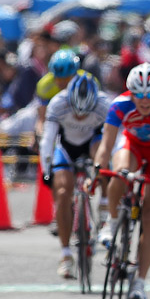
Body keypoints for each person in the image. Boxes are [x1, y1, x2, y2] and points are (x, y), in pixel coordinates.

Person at [94, 62, 150, 299]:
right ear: (130, 93)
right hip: (132, 147)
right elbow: (107, 144)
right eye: (139, 95)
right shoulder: (120, 105)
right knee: (120, 172)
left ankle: (140, 281)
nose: (144, 101)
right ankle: (111, 223)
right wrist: (97, 170)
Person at [39, 73, 111, 278]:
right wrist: (46, 171)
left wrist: (107, 169)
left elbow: (113, 139)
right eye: (77, 113)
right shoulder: (58, 103)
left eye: (85, 114)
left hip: (93, 143)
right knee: (62, 193)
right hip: (67, 147)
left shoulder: (104, 104)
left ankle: (104, 209)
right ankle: (65, 255)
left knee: (104, 162)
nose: (80, 117)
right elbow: (48, 140)